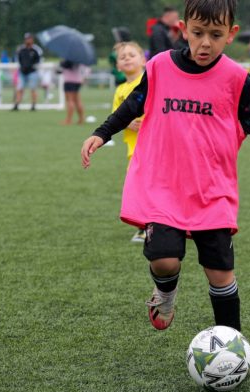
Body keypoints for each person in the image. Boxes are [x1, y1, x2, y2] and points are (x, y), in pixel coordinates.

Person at [80, 0, 250, 333]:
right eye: (198, 33)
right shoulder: (159, 67)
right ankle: (166, 293)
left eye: (216, 34)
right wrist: (102, 133)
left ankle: (232, 343)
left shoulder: (237, 78)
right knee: (165, 259)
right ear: (183, 28)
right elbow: (133, 104)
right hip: (163, 186)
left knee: (220, 272)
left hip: (212, 190)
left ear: (232, 34)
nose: (205, 43)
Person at [109, 41, 147, 242]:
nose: (127, 58)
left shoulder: (149, 81)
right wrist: (128, 122)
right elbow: (116, 115)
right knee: (138, 186)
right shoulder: (120, 90)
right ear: (118, 67)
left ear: (143, 60)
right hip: (134, 148)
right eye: (122, 57)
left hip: (157, 146)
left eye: (132, 55)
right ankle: (144, 226)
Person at [12, 33, 43, 111]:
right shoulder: (21, 49)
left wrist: (31, 66)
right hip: (23, 72)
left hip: (32, 72)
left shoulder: (36, 50)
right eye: (26, 39)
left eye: (29, 38)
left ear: (32, 39)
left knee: (32, 88)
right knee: (20, 88)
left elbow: (39, 61)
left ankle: (33, 105)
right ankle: (17, 104)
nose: (28, 40)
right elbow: (18, 59)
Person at [60, 60, 89, 125]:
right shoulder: (79, 58)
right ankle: (81, 118)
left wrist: (62, 63)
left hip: (69, 81)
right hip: (78, 80)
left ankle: (69, 120)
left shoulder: (69, 59)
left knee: (70, 100)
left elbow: (63, 68)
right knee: (77, 100)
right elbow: (86, 69)